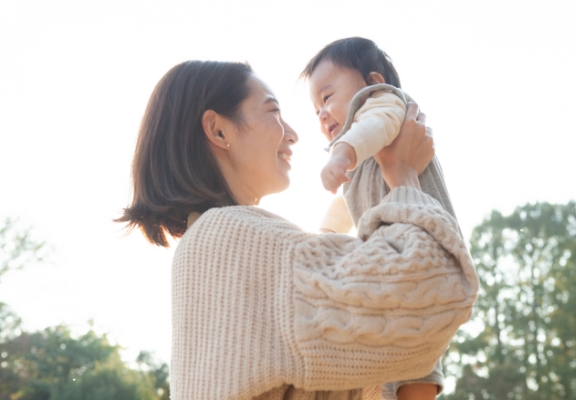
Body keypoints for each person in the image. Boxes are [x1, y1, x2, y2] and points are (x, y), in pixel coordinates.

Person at [117, 60, 478, 400]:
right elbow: (433, 290)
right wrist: (402, 174)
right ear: (218, 129)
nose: (293, 135)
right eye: (274, 111)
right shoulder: (230, 237)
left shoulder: (210, 246)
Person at [302, 37, 457, 242]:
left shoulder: (385, 103)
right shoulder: (358, 153)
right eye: (316, 111)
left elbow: (376, 123)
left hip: (434, 243)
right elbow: (349, 201)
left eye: (327, 98)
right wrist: (327, 232)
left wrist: (340, 153)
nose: (322, 115)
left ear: (373, 84)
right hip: (395, 252)